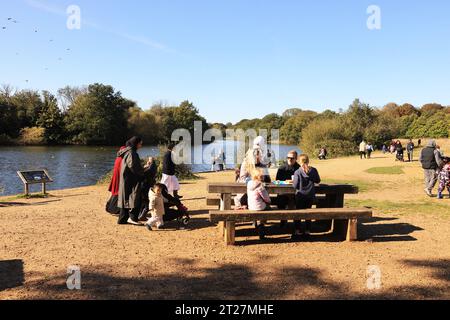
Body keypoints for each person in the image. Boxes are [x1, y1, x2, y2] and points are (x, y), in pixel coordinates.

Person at [292, 154, 321, 240]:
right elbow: (318, 180)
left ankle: (297, 230)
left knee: (298, 213)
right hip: (310, 195)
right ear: (308, 161)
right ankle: (307, 231)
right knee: (308, 213)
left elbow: (295, 185)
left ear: (299, 162)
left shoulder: (297, 172)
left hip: (300, 195)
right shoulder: (313, 170)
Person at [118, 136, 145, 225]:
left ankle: (123, 219)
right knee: (134, 197)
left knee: (126, 197)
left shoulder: (128, 151)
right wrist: (142, 173)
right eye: (140, 143)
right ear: (136, 144)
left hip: (127, 178)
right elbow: (133, 166)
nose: (141, 145)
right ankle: (133, 218)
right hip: (131, 179)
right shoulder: (131, 153)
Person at [247, 169, 271, 239]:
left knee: (260, 205)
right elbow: (266, 198)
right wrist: (269, 202)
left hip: (251, 206)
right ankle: (261, 225)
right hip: (259, 207)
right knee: (268, 207)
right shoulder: (260, 186)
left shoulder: (249, 184)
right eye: (262, 176)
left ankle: (256, 223)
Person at [106, 146, 126, 215]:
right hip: (119, 179)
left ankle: (109, 207)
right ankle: (112, 209)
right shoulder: (122, 159)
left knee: (115, 193)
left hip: (116, 178)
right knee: (117, 194)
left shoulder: (118, 157)